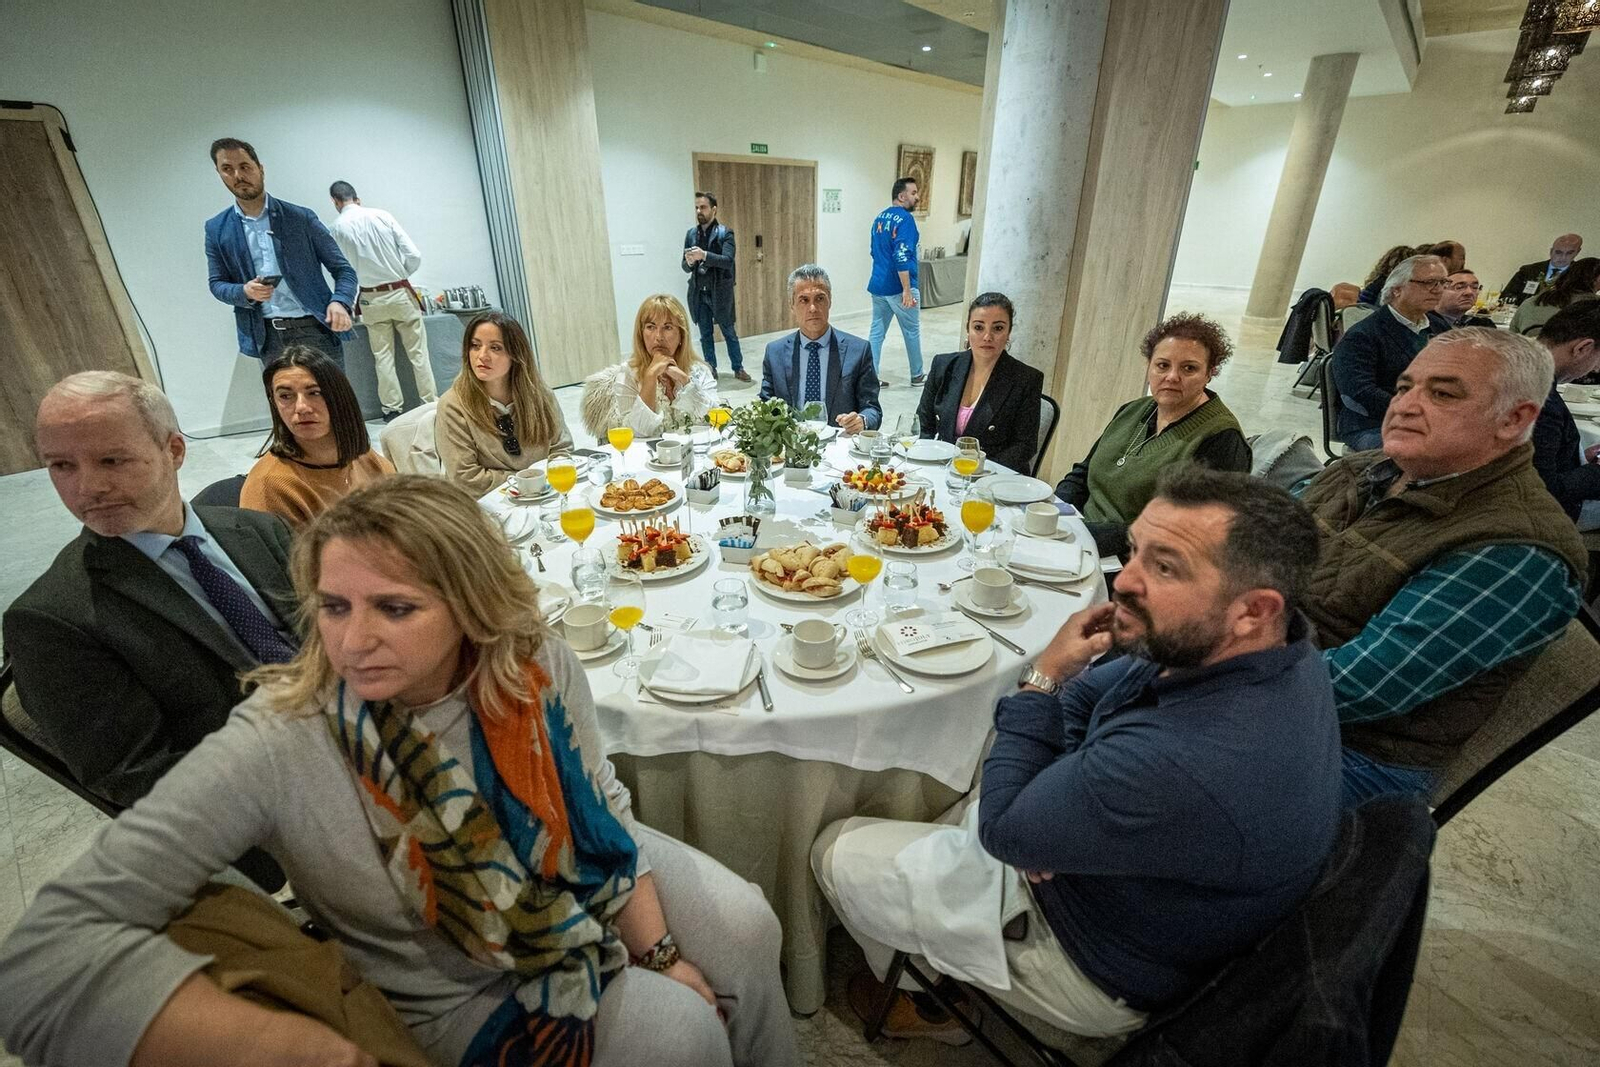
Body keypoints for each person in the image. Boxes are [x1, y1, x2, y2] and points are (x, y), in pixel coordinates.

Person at [0, 476, 800, 1067]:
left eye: (395, 607)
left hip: (577, 873)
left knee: (750, 922)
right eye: (334, 606)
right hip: (453, 988)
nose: (351, 643)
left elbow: (599, 806)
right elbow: (38, 960)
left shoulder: (535, 659)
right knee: (684, 1035)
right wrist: (294, 1049)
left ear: (472, 604)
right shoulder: (282, 737)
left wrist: (659, 950)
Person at [814, 467, 1339, 1044]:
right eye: (1135, 551)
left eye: (1165, 567)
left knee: (835, 849)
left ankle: (925, 1003)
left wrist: (1043, 680)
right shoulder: (1269, 645)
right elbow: (1096, 692)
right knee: (992, 775)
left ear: (1253, 609)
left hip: (1096, 962)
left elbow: (1009, 828)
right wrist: (1047, 794)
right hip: (1133, 883)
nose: (1125, 582)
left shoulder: (1185, 760)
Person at [1300, 328, 1586, 805]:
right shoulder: (1365, 469)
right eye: (1404, 387)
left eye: (1442, 393)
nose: (1405, 406)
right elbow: (1238, 551)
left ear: (1514, 419)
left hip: (1357, 753)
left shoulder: (1516, 547)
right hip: (1266, 682)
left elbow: (1360, 687)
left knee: (1139, 783)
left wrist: (1203, 672)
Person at [2, 372, 296, 808]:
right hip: (270, 802)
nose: (88, 488)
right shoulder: (51, 619)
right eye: (62, 465)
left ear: (174, 450)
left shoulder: (258, 530)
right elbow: (138, 778)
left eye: (111, 460)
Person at [1053, 313, 1249, 557]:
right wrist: (1055, 513)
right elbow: (1083, 473)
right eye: (1162, 365)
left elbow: (1194, 530)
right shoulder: (1133, 410)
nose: (1172, 377)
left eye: (1189, 368)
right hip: (1082, 537)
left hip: (1139, 559)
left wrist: (1091, 538)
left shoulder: (1222, 439)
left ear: (1210, 373)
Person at [204, 137, 356, 366]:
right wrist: (244, 291)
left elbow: (343, 270)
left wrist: (340, 302)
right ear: (219, 174)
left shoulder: (301, 218)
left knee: (332, 401)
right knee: (283, 402)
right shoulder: (216, 228)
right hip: (267, 337)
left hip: (315, 329)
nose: (238, 176)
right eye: (227, 169)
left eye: (244, 166)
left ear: (260, 169)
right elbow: (216, 284)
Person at [240, 346, 396, 529]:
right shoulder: (270, 486)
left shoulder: (367, 460)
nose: (301, 407)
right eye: (285, 396)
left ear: (340, 397)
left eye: (314, 393)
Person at [328, 180, 440, 421]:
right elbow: (414, 254)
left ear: (335, 202)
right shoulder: (382, 216)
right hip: (400, 292)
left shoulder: (336, 228)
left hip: (369, 297)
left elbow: (341, 269)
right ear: (357, 198)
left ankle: (392, 409)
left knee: (383, 357)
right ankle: (430, 403)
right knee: (418, 354)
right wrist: (401, 274)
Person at [436, 311, 573, 496]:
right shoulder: (453, 405)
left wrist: (542, 486)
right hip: (490, 505)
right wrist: (528, 483)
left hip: (546, 495)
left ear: (516, 354)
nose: (482, 355)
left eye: (495, 348)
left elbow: (562, 450)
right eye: (475, 346)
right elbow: (465, 478)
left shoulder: (540, 395)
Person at [916, 292, 1043, 473]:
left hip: (995, 477)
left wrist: (980, 471)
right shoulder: (943, 365)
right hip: (943, 469)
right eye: (978, 327)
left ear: (1009, 333)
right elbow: (923, 423)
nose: (987, 337)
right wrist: (930, 461)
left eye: (998, 328)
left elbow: (1025, 446)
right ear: (968, 329)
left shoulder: (1026, 379)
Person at [1331, 254, 1446, 451]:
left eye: (1442, 282)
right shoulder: (1364, 334)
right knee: (1435, 451)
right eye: (1429, 282)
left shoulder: (1439, 327)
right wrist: (1418, 410)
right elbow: (1359, 393)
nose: (1438, 290)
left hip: (1431, 420)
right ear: (1397, 290)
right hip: (1372, 423)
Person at [759, 264, 882, 434]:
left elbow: (872, 409)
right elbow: (765, 406)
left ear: (830, 301)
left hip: (838, 445)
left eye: (820, 299)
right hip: (792, 444)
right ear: (791, 305)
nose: (813, 308)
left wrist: (862, 420)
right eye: (804, 300)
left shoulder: (858, 351)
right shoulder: (775, 353)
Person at [581, 294, 719, 439]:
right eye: (651, 327)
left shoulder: (699, 371)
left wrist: (684, 380)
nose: (658, 336)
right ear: (641, 334)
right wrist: (650, 377)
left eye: (667, 327)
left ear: (681, 335)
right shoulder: (628, 374)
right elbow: (637, 433)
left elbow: (716, 421)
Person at [1529, 301, 1600, 528]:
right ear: (1582, 348)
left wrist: (1580, 458)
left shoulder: (1524, 367)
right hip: (1541, 513)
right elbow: (1543, 489)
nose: (1596, 369)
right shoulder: (1540, 398)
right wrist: (1595, 471)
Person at [682, 191, 748, 381]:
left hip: (720, 292)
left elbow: (728, 260)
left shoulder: (725, 233)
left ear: (714, 209)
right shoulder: (691, 234)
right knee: (705, 334)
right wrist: (689, 262)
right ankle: (711, 367)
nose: (699, 211)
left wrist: (704, 255)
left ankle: (738, 367)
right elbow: (685, 266)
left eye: (703, 207)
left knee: (729, 332)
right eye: (696, 207)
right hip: (699, 293)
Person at [867, 177, 925, 386]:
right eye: (913, 193)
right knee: (911, 330)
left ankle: (870, 377)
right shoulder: (906, 220)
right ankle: (917, 375)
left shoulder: (879, 218)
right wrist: (907, 290)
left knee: (877, 331)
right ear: (901, 196)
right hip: (899, 287)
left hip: (878, 285)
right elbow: (902, 255)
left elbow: (874, 251)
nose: (917, 197)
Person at [1509, 257, 1600, 337]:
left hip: (1530, 352)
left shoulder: (1532, 301)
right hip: (1569, 353)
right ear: (1596, 279)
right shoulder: (1593, 305)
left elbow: (1512, 336)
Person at [1501, 233, 1584, 306]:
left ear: (1577, 252)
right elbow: (1506, 296)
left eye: (1569, 253)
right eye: (1558, 252)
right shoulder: (1528, 271)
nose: (1563, 257)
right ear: (1551, 251)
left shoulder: (1579, 275)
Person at [1428, 268, 1497, 333]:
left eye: (1474, 287)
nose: (1469, 292)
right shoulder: (1425, 325)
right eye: (1459, 287)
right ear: (1438, 291)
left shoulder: (1482, 326)